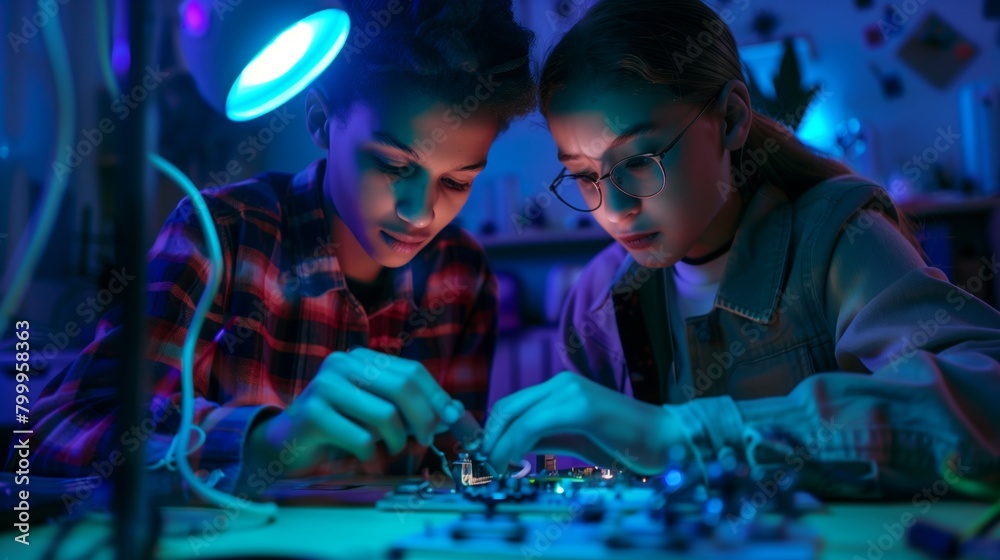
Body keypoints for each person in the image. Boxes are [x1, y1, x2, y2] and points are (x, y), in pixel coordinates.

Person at [482, 0, 1000, 498]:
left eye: (639, 160)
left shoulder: (842, 241)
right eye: (582, 175)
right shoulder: (598, 297)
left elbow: (988, 399)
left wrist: (681, 435)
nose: (614, 209)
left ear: (730, 118)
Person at [15, 0, 536, 493]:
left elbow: (456, 468)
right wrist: (267, 443)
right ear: (318, 121)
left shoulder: (463, 275)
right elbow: (55, 433)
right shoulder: (223, 234)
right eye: (392, 165)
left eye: (456, 183)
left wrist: (510, 461)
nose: (420, 213)